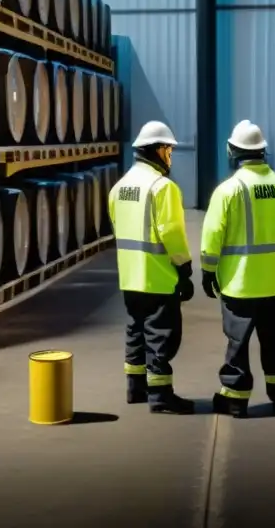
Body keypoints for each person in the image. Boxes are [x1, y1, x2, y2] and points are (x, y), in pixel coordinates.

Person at [199, 120, 275, 419]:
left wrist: (207, 270)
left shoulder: (229, 190)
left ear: (233, 152)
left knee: (237, 345)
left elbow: (212, 236)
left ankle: (235, 399)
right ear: (262, 151)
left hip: (239, 284)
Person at [108, 120, 196, 415]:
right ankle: (161, 395)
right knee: (161, 336)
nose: (170, 156)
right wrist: (184, 268)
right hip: (158, 276)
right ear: (157, 150)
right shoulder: (162, 188)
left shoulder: (120, 188)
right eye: (169, 151)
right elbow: (171, 232)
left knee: (136, 331)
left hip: (130, 276)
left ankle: (136, 388)